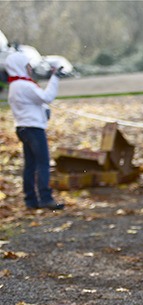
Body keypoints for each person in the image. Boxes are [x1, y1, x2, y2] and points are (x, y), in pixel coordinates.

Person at [5, 51, 64, 210]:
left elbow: (33, 103)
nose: (30, 68)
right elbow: (47, 97)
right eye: (27, 65)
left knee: (30, 165)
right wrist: (55, 77)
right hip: (34, 128)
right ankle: (45, 198)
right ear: (21, 66)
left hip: (23, 127)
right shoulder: (24, 85)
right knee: (43, 163)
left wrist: (43, 111)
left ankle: (30, 199)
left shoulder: (16, 85)